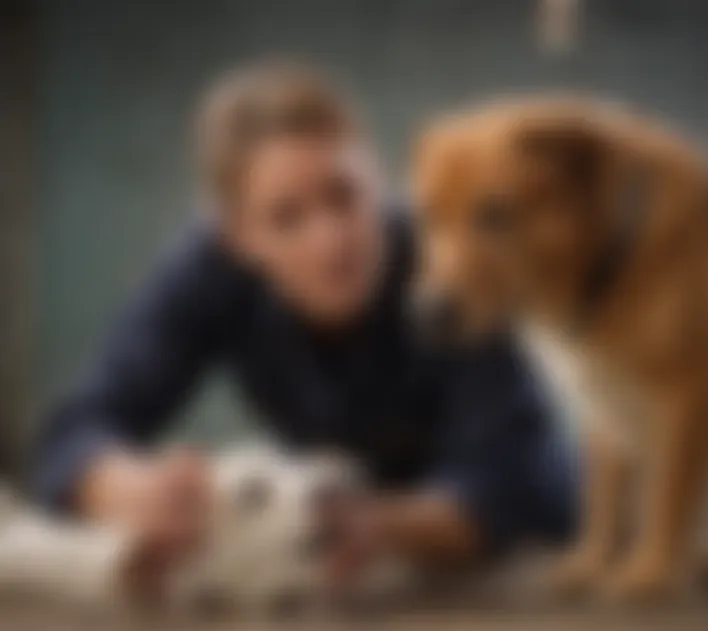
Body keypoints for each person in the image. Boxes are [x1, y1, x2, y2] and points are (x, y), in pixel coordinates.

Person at [36, 62, 577, 588]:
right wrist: (130, 490)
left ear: (379, 179)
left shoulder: (450, 266)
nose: (331, 240)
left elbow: (514, 485)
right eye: (287, 218)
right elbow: (74, 431)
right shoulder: (204, 271)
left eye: (345, 196)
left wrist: (384, 524)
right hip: (347, 545)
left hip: (523, 549)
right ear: (238, 238)